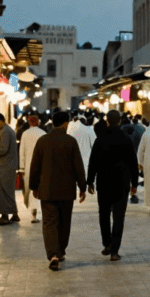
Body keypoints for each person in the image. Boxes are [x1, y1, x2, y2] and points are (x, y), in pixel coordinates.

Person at [29, 111, 87, 271]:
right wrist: (82, 187)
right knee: (64, 221)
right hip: (67, 190)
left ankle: (53, 254)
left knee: (49, 222)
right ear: (66, 124)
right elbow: (78, 166)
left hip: (46, 190)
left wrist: (33, 186)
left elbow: (35, 166)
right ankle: (60, 251)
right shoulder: (70, 141)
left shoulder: (42, 141)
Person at [86, 110, 139, 261]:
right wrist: (134, 183)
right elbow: (133, 163)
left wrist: (90, 181)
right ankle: (115, 251)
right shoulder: (126, 139)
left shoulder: (100, 139)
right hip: (121, 183)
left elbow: (93, 161)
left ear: (107, 121)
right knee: (118, 216)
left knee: (103, 214)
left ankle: (107, 243)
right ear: (120, 121)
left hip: (103, 182)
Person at [18, 115, 46, 223]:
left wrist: (21, 167)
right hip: (41, 166)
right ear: (38, 122)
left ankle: (33, 213)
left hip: (28, 166)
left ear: (29, 122)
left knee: (28, 190)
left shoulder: (25, 134)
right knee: (38, 189)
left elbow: (22, 151)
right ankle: (36, 213)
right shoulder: (43, 133)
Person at [121, 116, 146, 204]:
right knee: (134, 175)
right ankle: (133, 193)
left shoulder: (123, 129)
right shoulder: (142, 128)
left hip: (124, 157)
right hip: (136, 154)